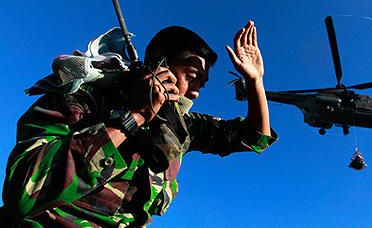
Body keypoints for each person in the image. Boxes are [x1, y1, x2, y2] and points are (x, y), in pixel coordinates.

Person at [1, 21, 277, 227]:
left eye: (202, 84)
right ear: (161, 66)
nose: (195, 92)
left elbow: (254, 137)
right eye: (191, 76)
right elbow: (22, 195)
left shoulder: (183, 128)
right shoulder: (83, 100)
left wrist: (255, 81)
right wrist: (133, 117)